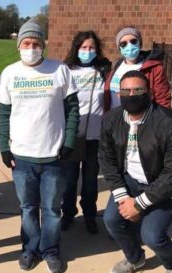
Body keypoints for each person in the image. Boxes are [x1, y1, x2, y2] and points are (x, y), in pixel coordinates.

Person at [0, 18, 79, 273]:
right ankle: (30, 249)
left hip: (53, 155)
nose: (31, 47)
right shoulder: (10, 73)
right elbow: (4, 114)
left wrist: (69, 141)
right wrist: (4, 147)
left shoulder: (59, 70)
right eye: (26, 43)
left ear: (43, 45)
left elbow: (73, 110)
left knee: (52, 210)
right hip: (22, 157)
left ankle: (51, 249)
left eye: (36, 43)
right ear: (19, 45)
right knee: (28, 208)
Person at [100, 70, 172, 273]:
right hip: (130, 181)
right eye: (126, 90)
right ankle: (135, 258)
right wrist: (123, 198)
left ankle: (170, 262)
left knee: (152, 236)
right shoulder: (111, 119)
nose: (131, 95)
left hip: (161, 186)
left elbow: (170, 172)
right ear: (119, 93)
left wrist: (139, 204)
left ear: (148, 92)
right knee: (112, 220)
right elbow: (107, 160)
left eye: (138, 90)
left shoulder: (166, 122)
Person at [61, 31, 111, 234]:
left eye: (91, 48)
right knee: (69, 180)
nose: (87, 51)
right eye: (83, 47)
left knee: (90, 182)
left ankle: (90, 216)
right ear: (76, 48)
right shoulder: (67, 71)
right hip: (72, 137)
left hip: (95, 137)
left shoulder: (103, 71)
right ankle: (68, 214)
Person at [104, 26, 171, 111]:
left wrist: (160, 121)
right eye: (123, 44)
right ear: (119, 48)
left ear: (140, 43)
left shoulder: (154, 69)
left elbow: (163, 99)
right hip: (115, 119)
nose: (129, 46)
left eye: (133, 41)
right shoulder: (115, 67)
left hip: (141, 120)